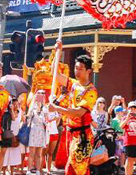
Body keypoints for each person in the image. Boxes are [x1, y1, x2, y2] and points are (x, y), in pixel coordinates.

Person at [49, 45, 98, 175]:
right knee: (77, 169)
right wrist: (58, 52)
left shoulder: (91, 91)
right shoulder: (73, 84)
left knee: (73, 169)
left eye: (80, 69)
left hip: (83, 135)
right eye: (76, 68)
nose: (77, 71)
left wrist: (56, 108)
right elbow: (54, 73)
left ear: (88, 71)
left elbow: (79, 112)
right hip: (70, 133)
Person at [26, 90, 50, 175]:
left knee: (39, 153)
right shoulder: (32, 106)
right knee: (32, 152)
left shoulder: (45, 107)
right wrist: (33, 110)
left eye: (43, 93)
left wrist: (46, 121)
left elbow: (47, 120)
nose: (41, 95)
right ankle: (29, 170)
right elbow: (28, 118)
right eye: (39, 93)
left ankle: (38, 170)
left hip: (41, 130)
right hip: (33, 129)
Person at [120, 102, 136, 175]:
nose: (132, 110)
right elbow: (121, 126)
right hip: (128, 141)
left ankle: (130, 173)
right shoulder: (125, 117)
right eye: (131, 108)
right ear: (128, 109)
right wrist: (127, 118)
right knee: (129, 158)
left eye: (134, 108)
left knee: (133, 159)